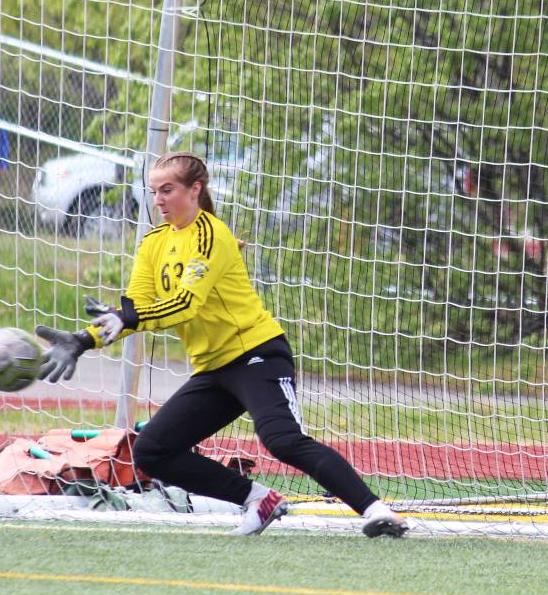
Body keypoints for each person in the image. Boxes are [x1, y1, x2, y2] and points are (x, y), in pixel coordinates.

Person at [35, 151, 408, 538]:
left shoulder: (211, 234)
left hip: (256, 355)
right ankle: (258, 499)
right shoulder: (153, 243)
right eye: (154, 191)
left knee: (283, 441)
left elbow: (184, 304)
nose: (158, 200)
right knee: (152, 451)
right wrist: (83, 339)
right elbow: (136, 309)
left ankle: (378, 512)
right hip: (213, 369)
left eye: (168, 190)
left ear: (194, 189)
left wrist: (125, 317)